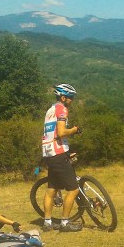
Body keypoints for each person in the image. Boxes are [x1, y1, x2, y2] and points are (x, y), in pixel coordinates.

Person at [41, 83, 83, 231]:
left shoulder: (51, 109)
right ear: (63, 98)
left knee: (52, 189)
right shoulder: (62, 109)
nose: (72, 100)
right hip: (58, 153)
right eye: (71, 97)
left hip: (49, 153)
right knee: (73, 189)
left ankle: (47, 223)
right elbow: (61, 132)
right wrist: (74, 130)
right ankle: (65, 223)